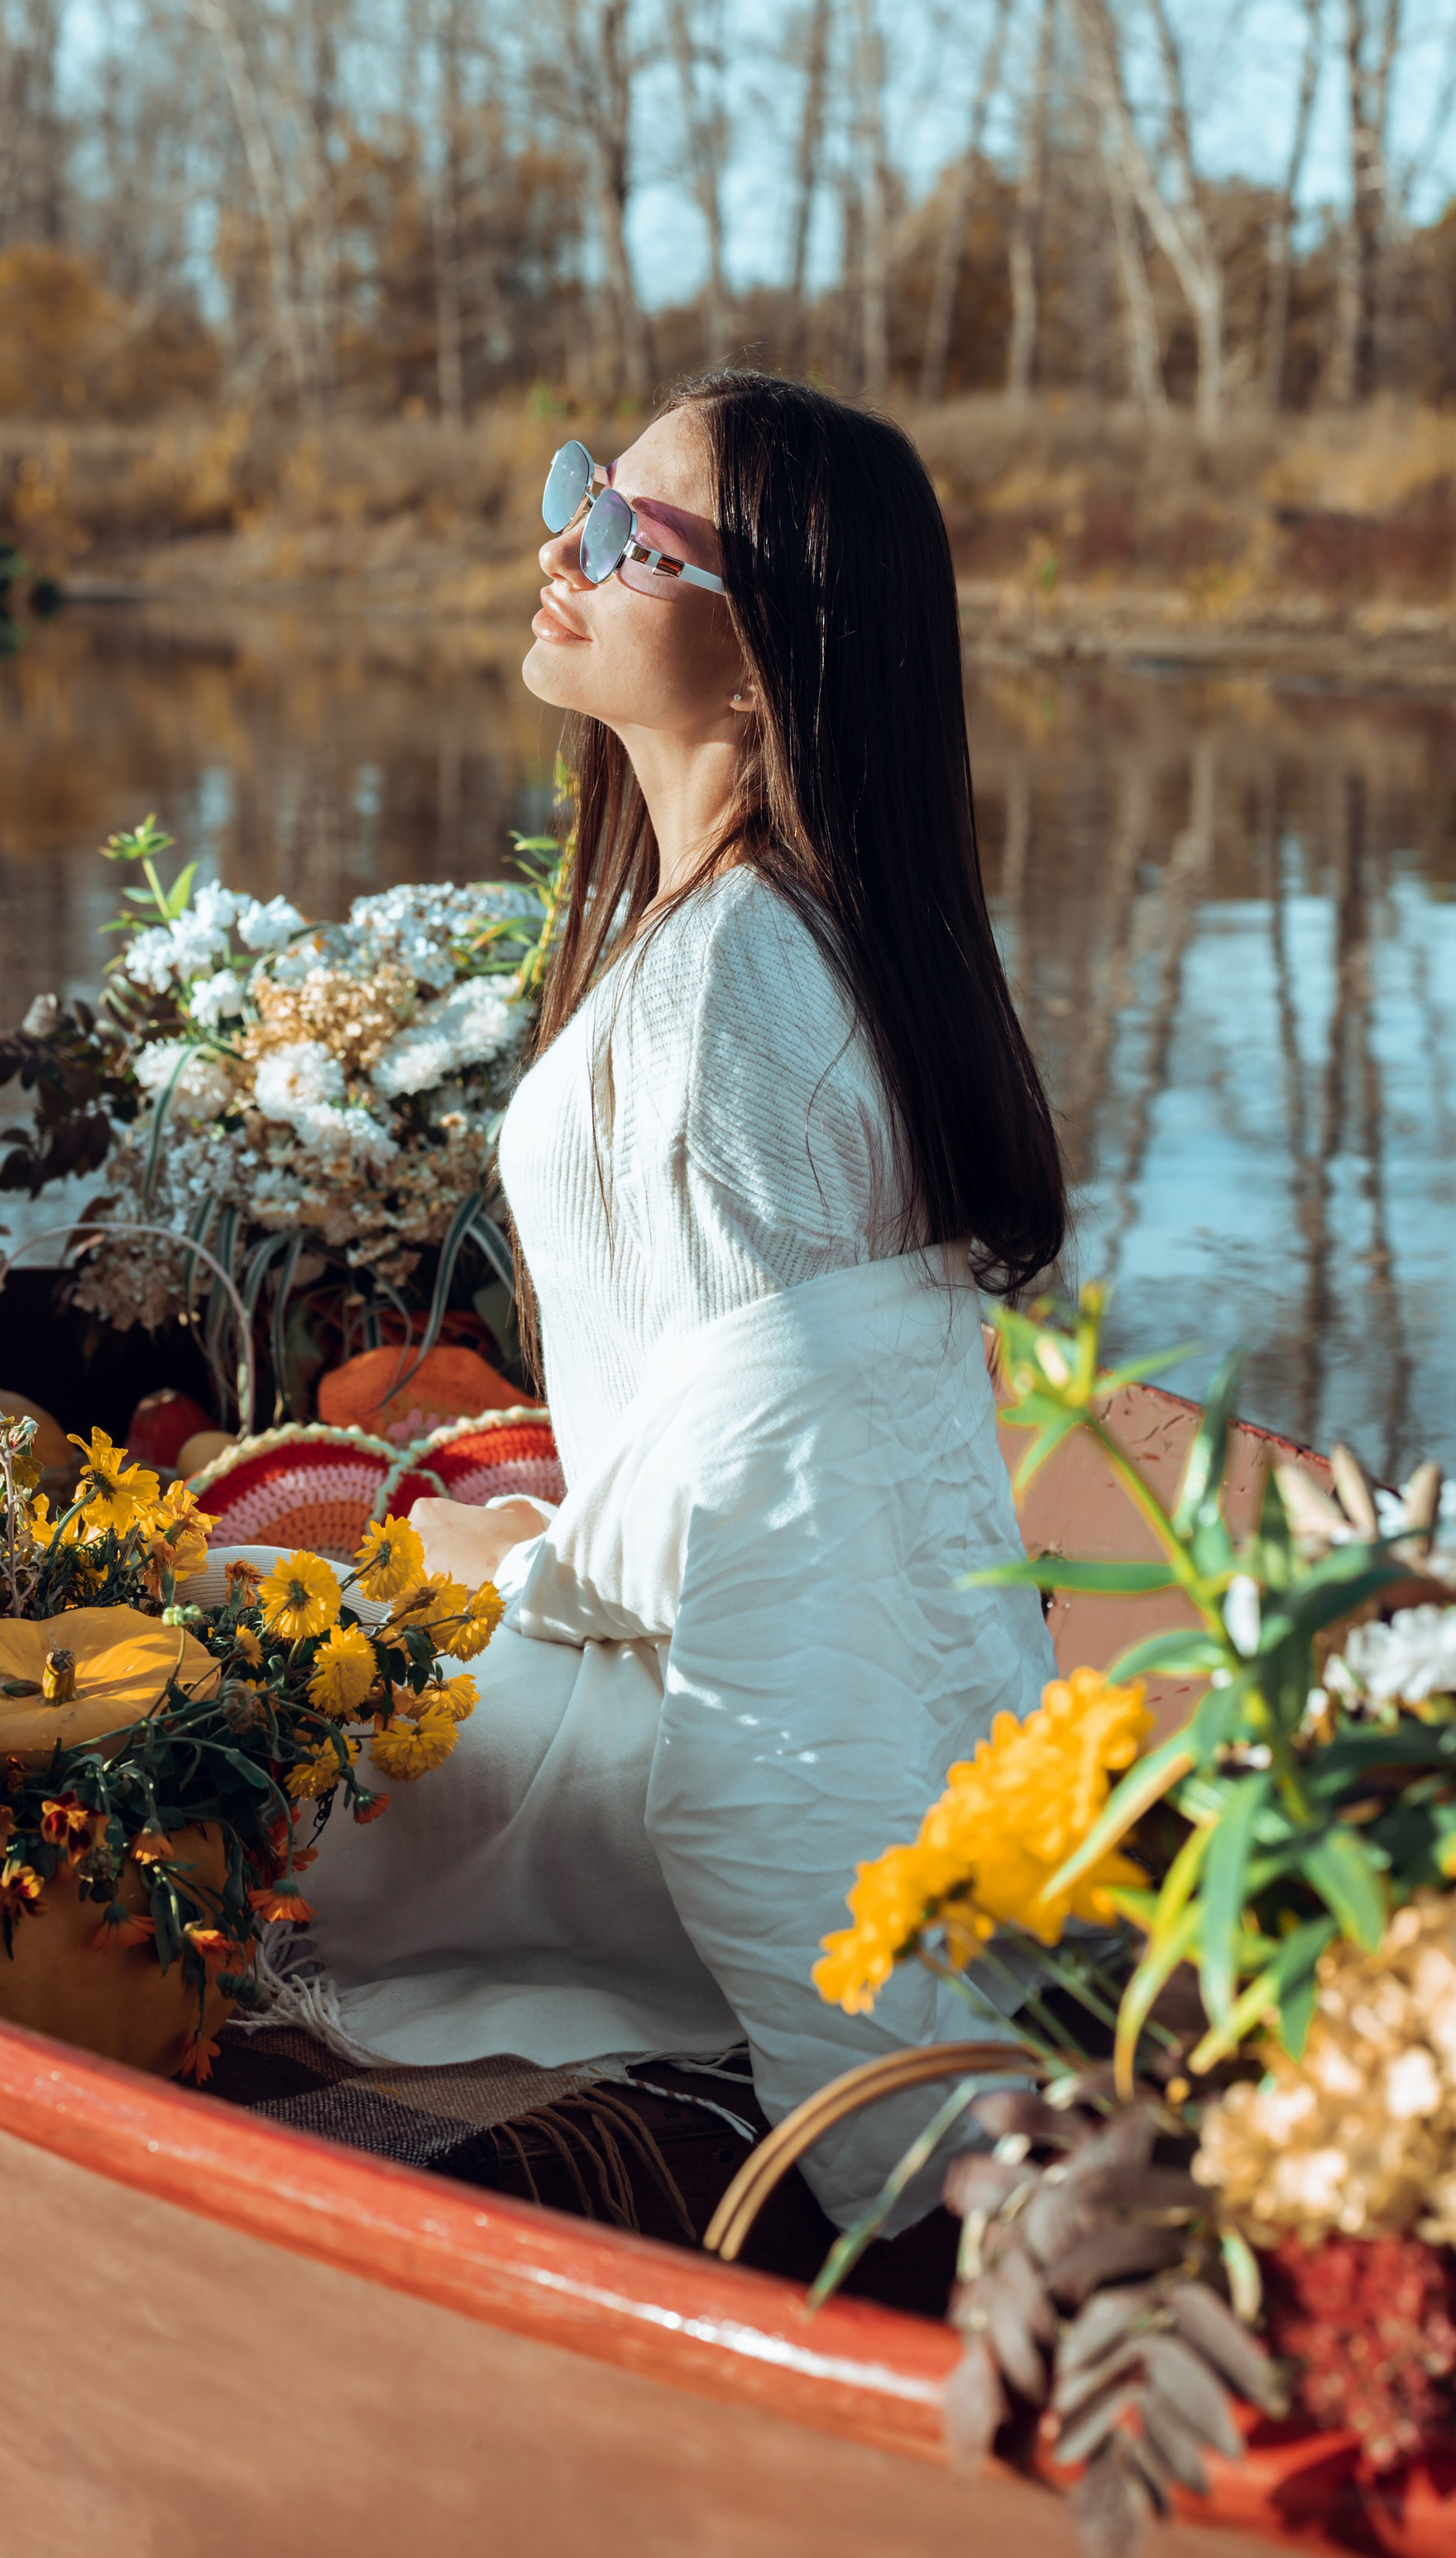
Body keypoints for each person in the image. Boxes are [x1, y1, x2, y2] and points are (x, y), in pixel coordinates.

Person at [239, 371, 1064, 2232]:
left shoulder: (733, 1004)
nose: (560, 548)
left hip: (739, 1755)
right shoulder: (750, 931)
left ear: (765, 663)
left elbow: (795, 1552)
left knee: (226, 1659)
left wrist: (880, 2128)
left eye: (627, 534)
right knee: (381, 1577)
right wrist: (551, 1535)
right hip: (733, 1650)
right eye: (575, 492)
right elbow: (748, 1451)